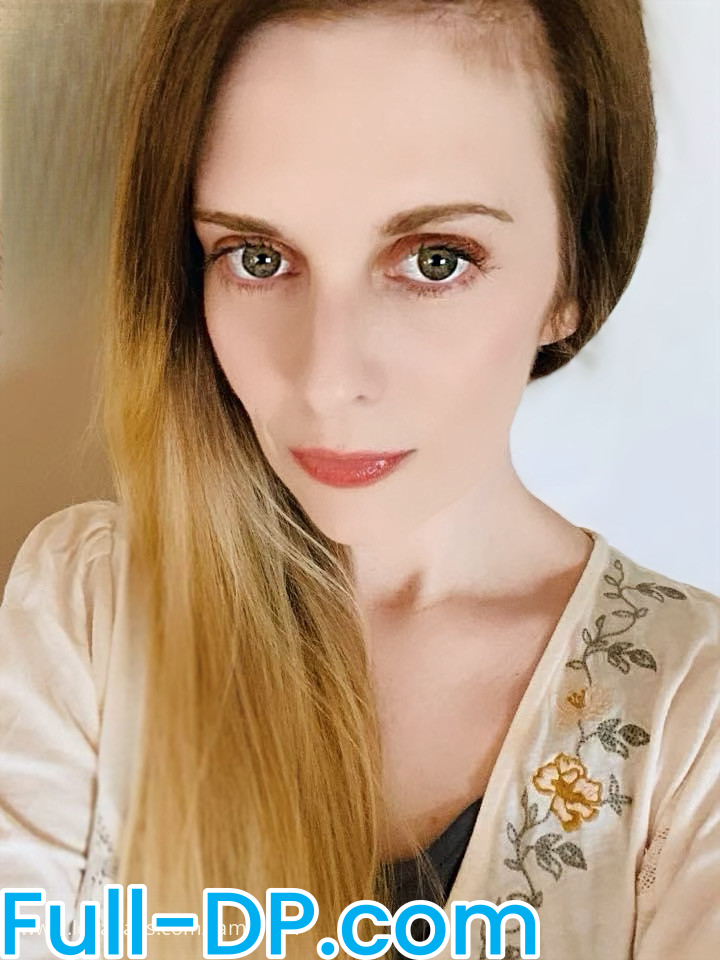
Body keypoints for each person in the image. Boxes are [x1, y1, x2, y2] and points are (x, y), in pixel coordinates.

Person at [1, 0, 718, 957]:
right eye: (258, 257)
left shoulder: (692, 721)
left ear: (573, 274)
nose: (327, 379)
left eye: (436, 260)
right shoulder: (93, 609)